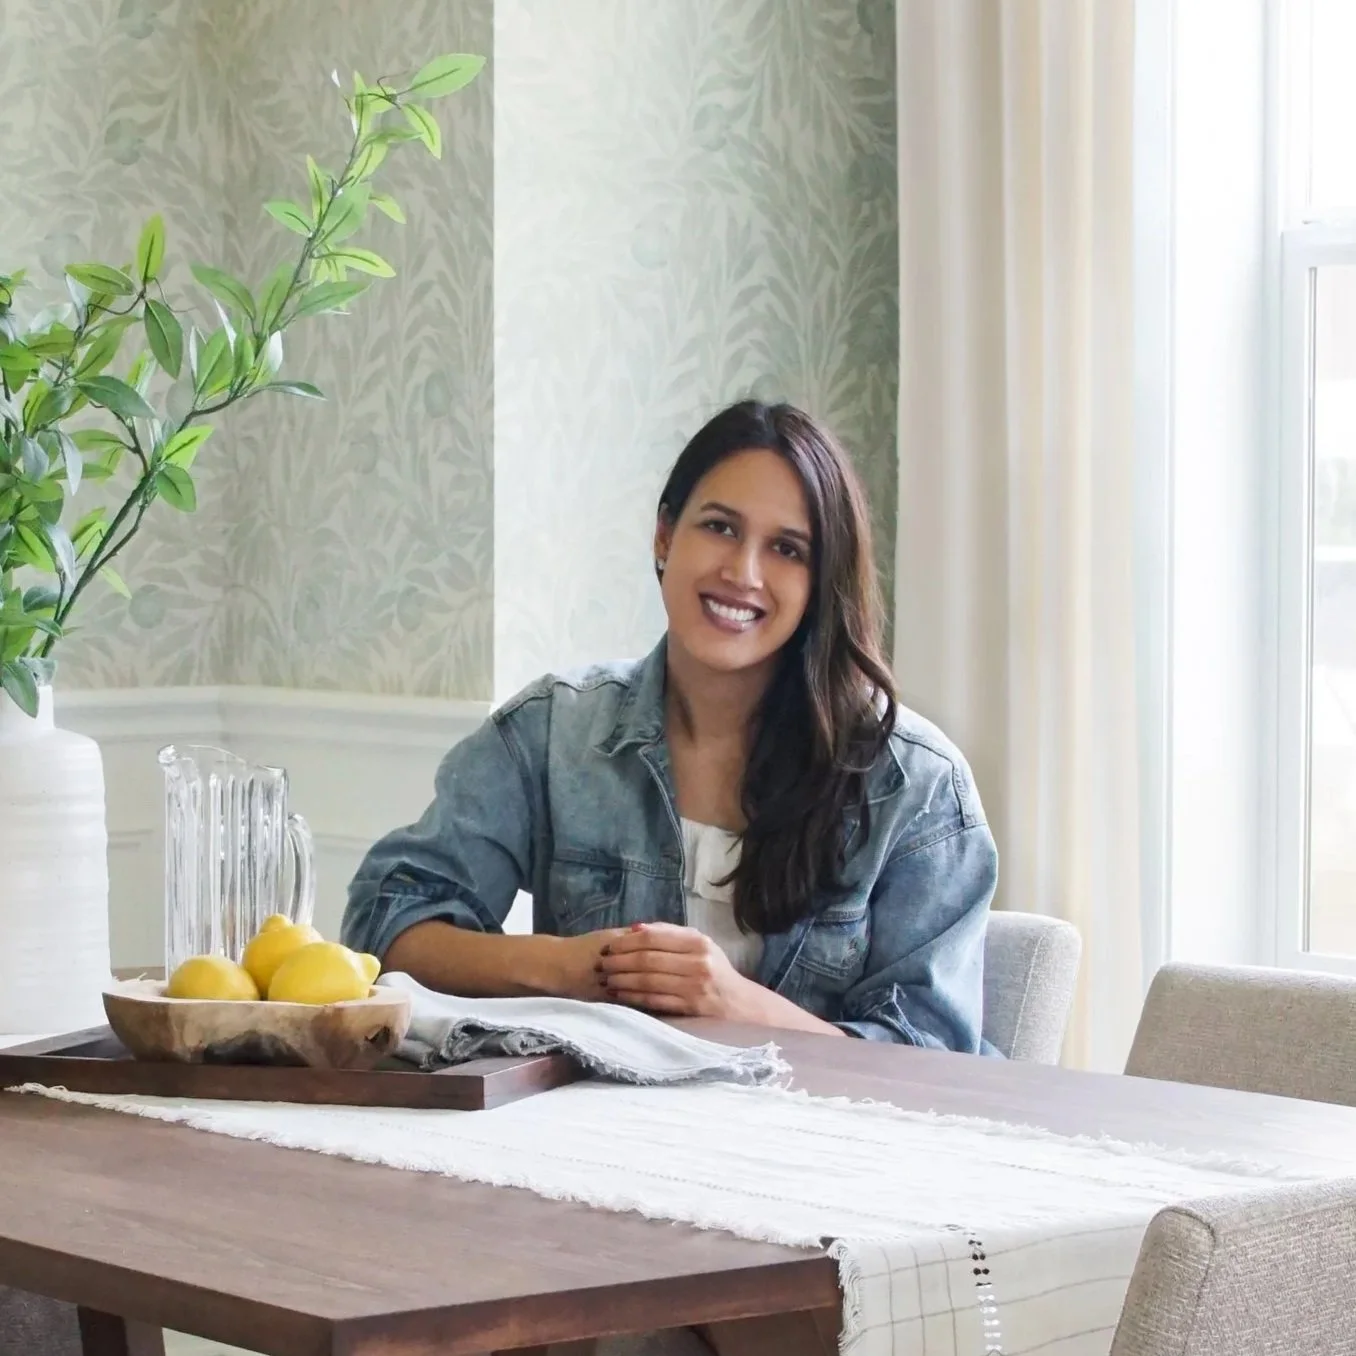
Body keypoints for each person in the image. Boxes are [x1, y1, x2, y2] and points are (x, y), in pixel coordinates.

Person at [341, 400, 999, 1052]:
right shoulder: (554, 730)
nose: (742, 573)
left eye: (786, 549)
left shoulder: (917, 785)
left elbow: (936, 1059)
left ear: (822, 579)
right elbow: (384, 924)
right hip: (590, 1116)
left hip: (814, 1124)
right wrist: (572, 968)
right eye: (719, 527)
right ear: (664, 536)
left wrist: (734, 1004)